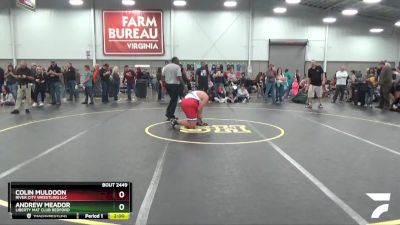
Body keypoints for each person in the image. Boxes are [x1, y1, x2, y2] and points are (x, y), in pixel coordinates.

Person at [162, 57, 186, 121]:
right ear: (175, 61)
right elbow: (179, 77)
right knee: (174, 101)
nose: (179, 62)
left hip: (168, 85)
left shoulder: (166, 67)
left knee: (172, 99)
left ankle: (168, 113)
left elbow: (163, 76)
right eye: (178, 61)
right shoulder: (177, 67)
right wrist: (184, 86)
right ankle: (171, 115)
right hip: (175, 85)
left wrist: (163, 85)